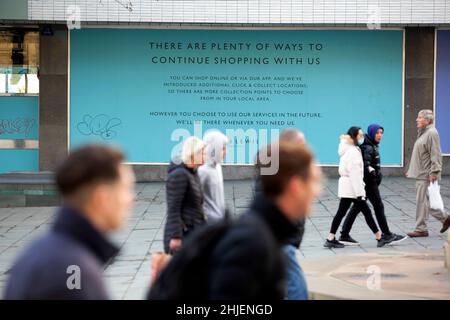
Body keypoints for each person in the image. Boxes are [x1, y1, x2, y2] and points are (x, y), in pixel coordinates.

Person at [4, 145, 135, 299]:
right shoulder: (74, 268)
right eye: (126, 189)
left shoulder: (43, 248)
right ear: (102, 197)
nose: (132, 198)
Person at [205, 142, 321, 299]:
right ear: (296, 186)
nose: (317, 191)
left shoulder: (269, 235)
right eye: (314, 182)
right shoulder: (254, 243)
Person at [257, 128, 308, 300]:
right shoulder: (276, 165)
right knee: (295, 283)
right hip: (281, 238)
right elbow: (268, 197)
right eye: (301, 144)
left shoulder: (291, 165)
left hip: (285, 237)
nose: (304, 148)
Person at [339, 124, 407, 247]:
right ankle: (386, 234)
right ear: (371, 133)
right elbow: (364, 167)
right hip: (369, 184)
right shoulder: (368, 147)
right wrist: (373, 175)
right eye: (377, 133)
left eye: (381, 133)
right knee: (378, 207)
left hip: (367, 183)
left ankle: (344, 234)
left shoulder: (371, 145)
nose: (380, 135)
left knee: (357, 208)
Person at [324, 127, 382, 248]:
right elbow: (355, 173)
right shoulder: (353, 152)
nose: (362, 137)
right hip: (353, 188)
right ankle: (379, 237)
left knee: (341, 213)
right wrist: (360, 193)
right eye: (360, 135)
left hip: (347, 187)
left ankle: (330, 238)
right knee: (366, 212)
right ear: (354, 136)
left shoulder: (348, 149)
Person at [406, 110, 450, 237]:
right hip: (421, 173)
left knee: (422, 202)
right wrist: (411, 169)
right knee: (427, 202)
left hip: (426, 174)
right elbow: (421, 154)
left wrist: (435, 172)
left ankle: (421, 229)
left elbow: (435, 154)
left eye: (420, 118)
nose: (416, 119)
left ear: (427, 120)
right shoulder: (424, 132)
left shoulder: (431, 133)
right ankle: (445, 219)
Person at [164, 136, 206, 254]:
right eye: (202, 153)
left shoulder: (192, 172)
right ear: (193, 154)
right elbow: (173, 208)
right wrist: (176, 236)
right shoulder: (180, 175)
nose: (205, 156)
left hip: (193, 231)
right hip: (182, 236)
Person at [198, 130, 229, 223]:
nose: (226, 152)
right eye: (222, 148)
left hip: (220, 220)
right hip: (208, 223)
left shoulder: (217, 167)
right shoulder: (203, 170)